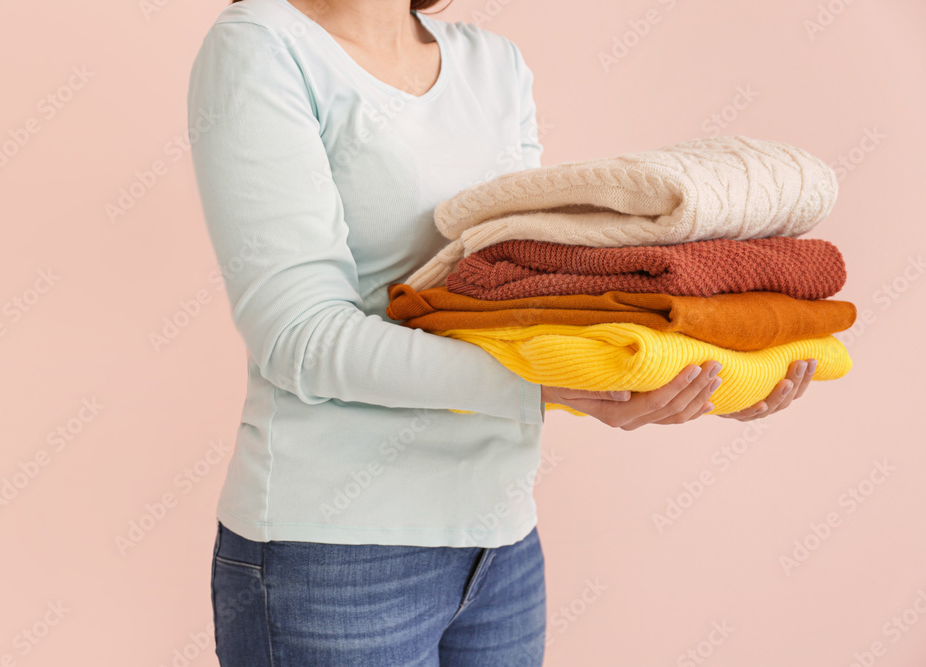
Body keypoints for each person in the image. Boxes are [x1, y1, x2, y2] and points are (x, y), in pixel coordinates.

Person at [186, 0, 818, 664]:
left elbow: (518, 286)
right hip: (336, 553)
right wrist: (547, 385)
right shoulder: (263, 43)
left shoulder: (494, 64)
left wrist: (708, 359)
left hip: (503, 543)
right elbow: (301, 337)